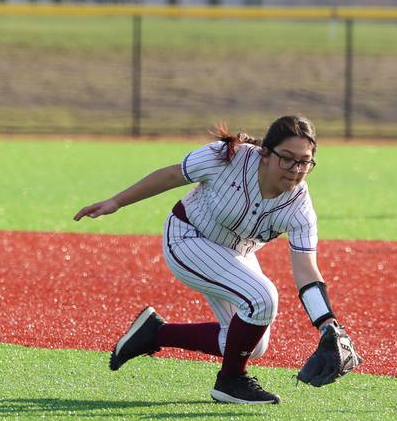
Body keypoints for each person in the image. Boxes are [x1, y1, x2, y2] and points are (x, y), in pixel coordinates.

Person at [74, 115, 361, 404]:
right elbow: (173, 175)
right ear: (265, 153)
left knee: (251, 342)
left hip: (236, 253)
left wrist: (328, 326)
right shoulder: (228, 158)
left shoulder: (299, 208)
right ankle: (230, 381)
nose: (295, 170)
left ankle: (155, 334)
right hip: (187, 238)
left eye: (304, 162)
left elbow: (306, 269)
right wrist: (116, 202)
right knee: (263, 298)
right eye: (286, 158)